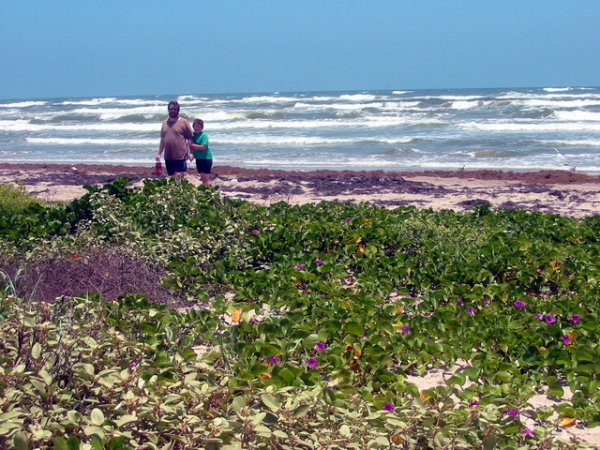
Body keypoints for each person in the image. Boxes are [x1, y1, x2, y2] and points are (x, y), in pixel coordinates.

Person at [156, 101, 192, 176]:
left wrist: (191, 153)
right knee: (171, 178)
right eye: (171, 109)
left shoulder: (184, 122)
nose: (173, 110)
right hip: (168, 157)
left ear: (178, 110)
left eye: (175, 109)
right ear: (168, 110)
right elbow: (163, 139)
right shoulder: (164, 123)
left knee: (179, 178)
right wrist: (159, 153)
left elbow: (190, 138)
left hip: (180, 157)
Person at [189, 118, 213, 185]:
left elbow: (203, 147)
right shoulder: (193, 135)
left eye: (199, 127)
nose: (197, 128)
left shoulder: (204, 135)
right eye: (196, 126)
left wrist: (192, 144)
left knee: (205, 179)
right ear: (193, 126)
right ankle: (206, 192)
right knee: (203, 179)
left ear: (202, 128)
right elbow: (191, 146)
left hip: (206, 158)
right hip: (198, 159)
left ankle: (209, 193)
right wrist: (192, 154)